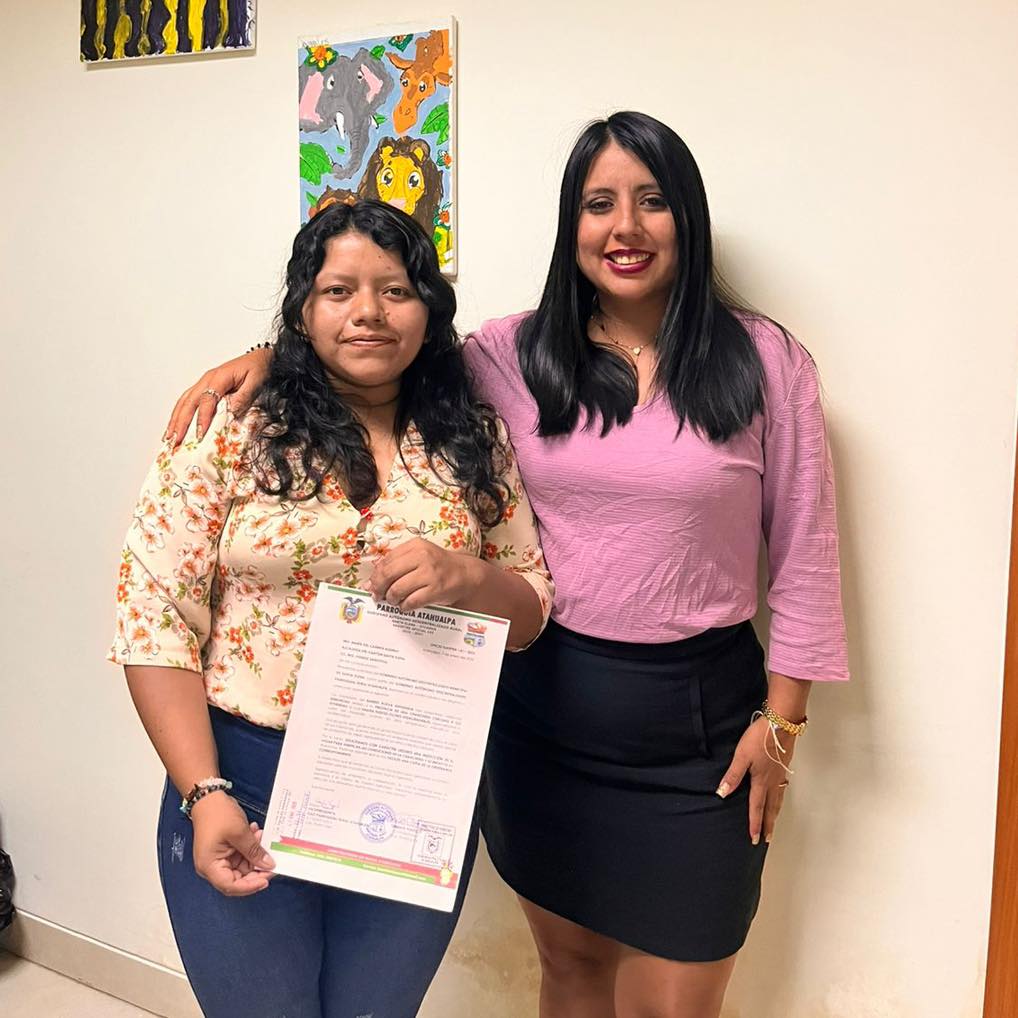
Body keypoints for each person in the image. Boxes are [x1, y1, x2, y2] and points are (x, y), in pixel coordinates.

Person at [166, 111, 848, 1018]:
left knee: (675, 1001)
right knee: (568, 969)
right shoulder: (512, 355)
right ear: (573, 225)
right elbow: (381, 342)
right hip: (542, 711)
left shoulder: (765, 361)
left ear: (688, 214)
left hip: (698, 729)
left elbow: (805, 556)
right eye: (599, 204)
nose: (625, 227)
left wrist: (784, 721)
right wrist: (267, 354)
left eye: (651, 201)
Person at [111, 199, 554, 1018]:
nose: (368, 313)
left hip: (415, 780)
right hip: (242, 777)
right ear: (302, 310)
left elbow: (529, 612)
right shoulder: (231, 424)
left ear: (430, 308)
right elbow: (154, 617)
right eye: (338, 290)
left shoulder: (472, 438)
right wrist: (204, 792)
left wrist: (468, 577)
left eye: (396, 290)